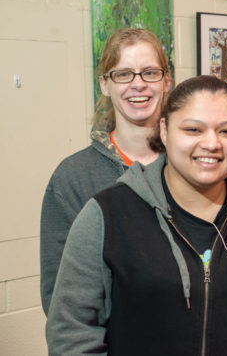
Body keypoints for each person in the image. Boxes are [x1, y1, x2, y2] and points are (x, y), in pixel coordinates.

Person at [46, 75, 227, 355]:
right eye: (193, 130)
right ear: (165, 131)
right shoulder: (107, 215)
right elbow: (72, 334)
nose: (211, 144)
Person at [40, 28, 171, 314]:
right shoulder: (73, 178)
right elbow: (62, 303)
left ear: (166, 81)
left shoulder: (191, 166)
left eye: (150, 72)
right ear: (104, 84)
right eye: (123, 74)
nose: (138, 84)